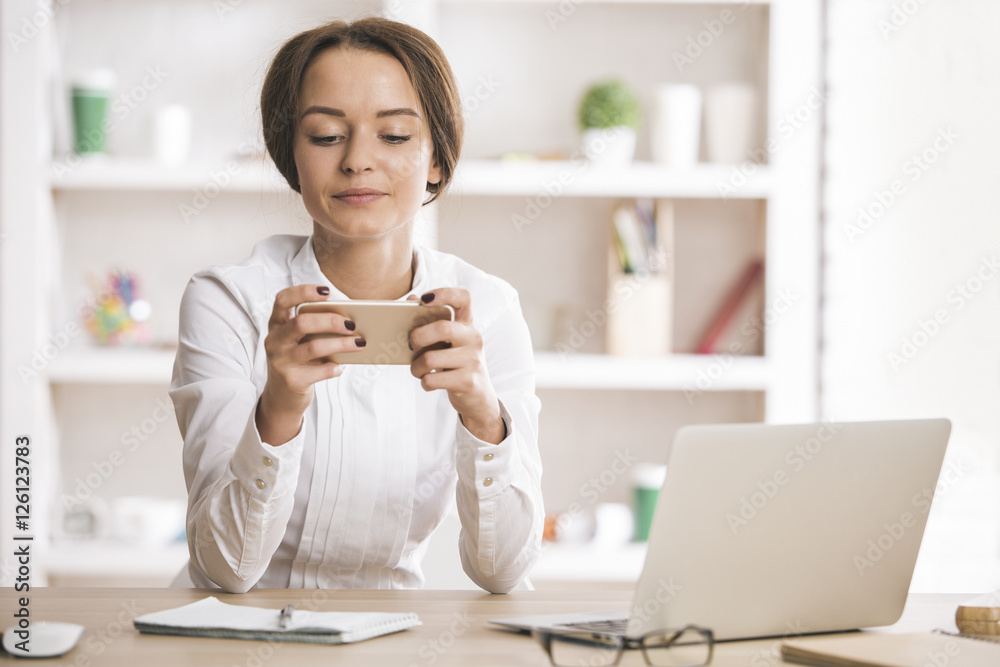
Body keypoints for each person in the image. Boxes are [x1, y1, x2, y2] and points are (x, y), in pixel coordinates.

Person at [169, 17, 543, 594]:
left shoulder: (486, 308)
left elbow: (505, 572)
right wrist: (280, 407)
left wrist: (484, 417)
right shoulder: (229, 301)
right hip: (234, 635)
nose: (357, 161)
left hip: (397, 637)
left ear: (437, 159)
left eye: (394, 136)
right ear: (289, 158)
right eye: (325, 136)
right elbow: (226, 569)